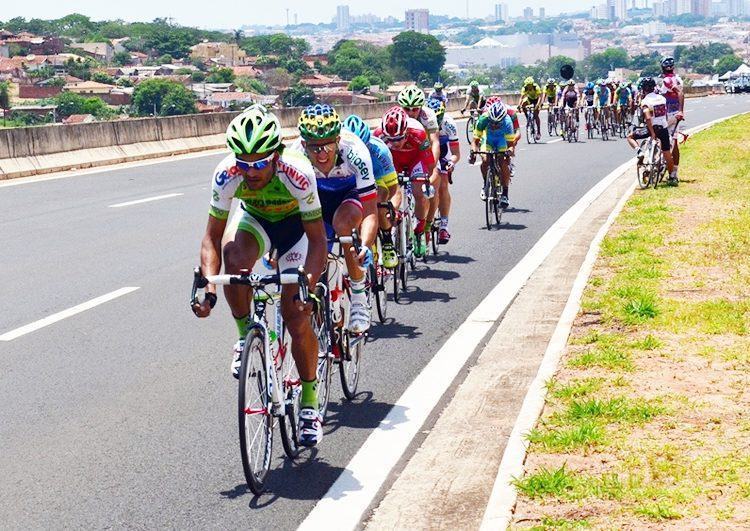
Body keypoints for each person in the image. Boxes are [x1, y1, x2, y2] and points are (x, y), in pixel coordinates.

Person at [192, 105, 327, 446]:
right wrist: (208, 285)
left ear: (276, 155)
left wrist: (306, 286)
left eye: (259, 162)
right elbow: (211, 237)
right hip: (256, 221)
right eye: (244, 162)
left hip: (295, 229)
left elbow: (317, 241)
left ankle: (310, 404)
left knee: (296, 315)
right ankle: (244, 336)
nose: (250, 171)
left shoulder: (297, 173)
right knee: (233, 258)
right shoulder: (226, 174)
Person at [292, 104, 379, 332]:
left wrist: (367, 245)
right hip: (317, 198)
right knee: (313, 242)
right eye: (314, 147)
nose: (322, 154)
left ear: (338, 140)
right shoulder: (294, 157)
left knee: (343, 225)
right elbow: (288, 211)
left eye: (328, 145)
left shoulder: (356, 152)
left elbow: (370, 209)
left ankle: (359, 295)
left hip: (348, 195)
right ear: (304, 145)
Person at [374, 106, 438, 258]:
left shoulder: (419, 133)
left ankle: (419, 231)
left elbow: (429, 164)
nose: (395, 143)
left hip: (415, 160)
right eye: (391, 140)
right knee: (390, 193)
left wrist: (425, 180)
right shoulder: (378, 135)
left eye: (399, 139)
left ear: (407, 132)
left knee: (419, 193)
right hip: (392, 162)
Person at [343, 114, 400, 269]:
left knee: (379, 201)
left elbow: (394, 188)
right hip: (352, 181)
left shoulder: (380, 150)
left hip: (377, 177)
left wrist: (390, 208)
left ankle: (387, 242)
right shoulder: (340, 149)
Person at [469, 101, 518, 209]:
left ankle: (505, 194)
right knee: (485, 160)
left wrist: (509, 151)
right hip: (488, 139)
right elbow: (474, 141)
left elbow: (510, 145)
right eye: (492, 122)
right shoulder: (483, 119)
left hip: (502, 140)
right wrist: (473, 152)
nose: (495, 125)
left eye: (498, 123)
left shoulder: (507, 122)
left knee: (503, 162)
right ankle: (485, 184)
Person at [425, 97, 461, 245]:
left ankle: (444, 226)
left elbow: (456, 153)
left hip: (444, 154)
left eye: (438, 118)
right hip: (427, 152)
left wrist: (451, 162)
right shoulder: (422, 120)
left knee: (443, 186)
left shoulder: (449, 124)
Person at [626, 77, 675, 180]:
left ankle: (640, 152)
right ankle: (672, 177)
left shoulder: (645, 101)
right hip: (663, 128)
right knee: (667, 154)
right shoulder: (662, 98)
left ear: (643, 89)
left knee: (630, 136)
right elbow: (665, 114)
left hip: (652, 128)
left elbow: (648, 118)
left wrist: (652, 133)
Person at [397, 85, 441, 173]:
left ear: (421, 107)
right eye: (406, 109)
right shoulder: (395, 115)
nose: (410, 113)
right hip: (403, 151)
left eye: (415, 109)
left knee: (435, 175)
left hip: (423, 150)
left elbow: (434, 142)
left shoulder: (428, 115)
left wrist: (431, 168)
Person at [659, 56, 685, 185]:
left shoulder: (667, 80)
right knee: (674, 142)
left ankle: (671, 173)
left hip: (669, 114)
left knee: (663, 140)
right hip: (672, 113)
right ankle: (674, 172)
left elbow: (680, 93)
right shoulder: (678, 78)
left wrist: (681, 110)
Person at [519, 76, 543, 142]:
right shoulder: (525, 88)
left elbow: (540, 97)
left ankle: (538, 132)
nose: (529, 86)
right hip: (530, 99)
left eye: (530, 85)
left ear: (532, 84)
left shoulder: (536, 87)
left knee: (536, 115)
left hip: (537, 100)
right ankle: (528, 118)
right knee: (523, 104)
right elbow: (521, 98)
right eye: (528, 85)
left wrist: (537, 105)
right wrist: (519, 105)